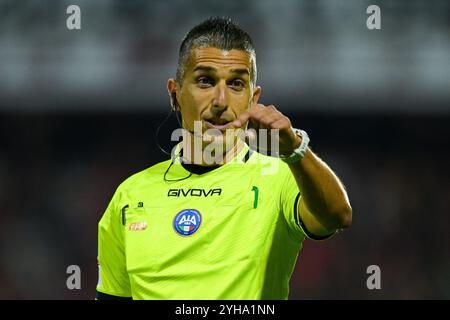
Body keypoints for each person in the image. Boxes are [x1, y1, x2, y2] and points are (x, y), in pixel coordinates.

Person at [96, 17, 352, 300]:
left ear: (254, 99)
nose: (220, 101)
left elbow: (337, 216)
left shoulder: (279, 178)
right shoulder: (130, 195)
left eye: (236, 84)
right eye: (205, 81)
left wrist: (295, 150)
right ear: (175, 93)